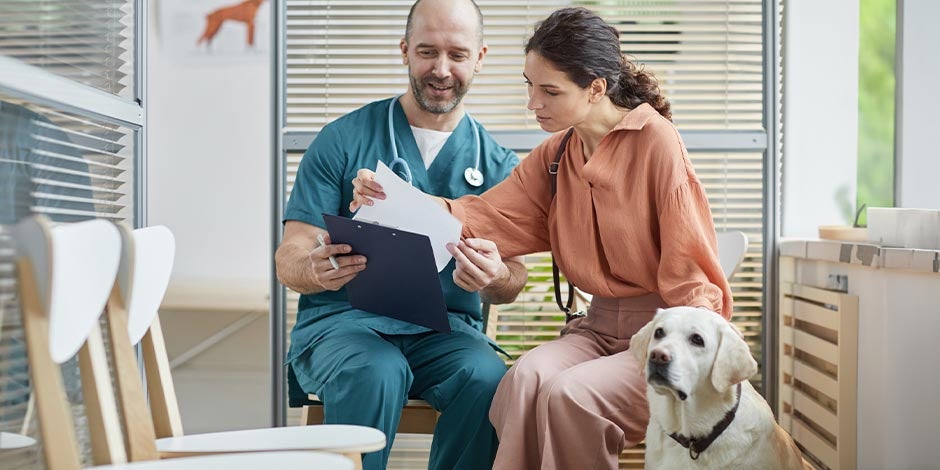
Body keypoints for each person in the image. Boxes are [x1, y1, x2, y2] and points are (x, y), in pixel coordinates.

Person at [351, 7, 734, 470]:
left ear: (596, 88)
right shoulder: (556, 155)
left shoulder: (656, 141)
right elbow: (482, 215)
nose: (533, 103)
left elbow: (692, 273)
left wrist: (705, 359)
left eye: (549, 91)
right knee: (526, 378)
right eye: (529, 86)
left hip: (659, 337)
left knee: (568, 395)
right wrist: (391, 196)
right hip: (596, 330)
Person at [274, 1, 527, 469]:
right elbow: (290, 255)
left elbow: (513, 278)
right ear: (405, 50)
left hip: (444, 332)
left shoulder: (499, 165)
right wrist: (314, 267)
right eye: (427, 52)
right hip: (344, 324)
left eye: (457, 54)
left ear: (481, 57)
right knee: (376, 370)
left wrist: (493, 276)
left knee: (488, 377)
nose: (441, 69)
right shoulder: (343, 139)